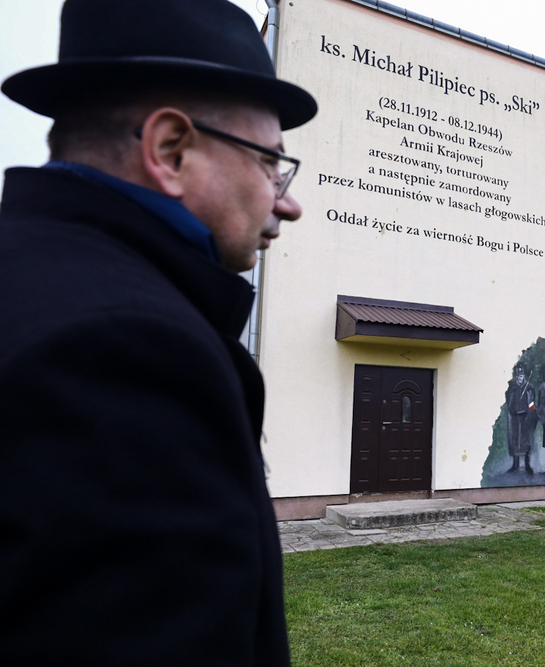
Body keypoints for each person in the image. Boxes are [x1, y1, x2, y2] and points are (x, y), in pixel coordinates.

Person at [0, 1, 317, 663]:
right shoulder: (126, 350)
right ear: (171, 150)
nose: (287, 202)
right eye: (270, 165)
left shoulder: (31, 280)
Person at [506, 365, 536, 474]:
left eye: (522, 375)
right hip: (515, 418)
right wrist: (512, 411)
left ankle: (527, 465)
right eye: (518, 375)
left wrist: (530, 413)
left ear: (524, 375)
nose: (520, 377)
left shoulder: (529, 387)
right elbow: (509, 401)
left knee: (526, 440)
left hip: (525, 418)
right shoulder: (513, 388)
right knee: (515, 440)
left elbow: (532, 402)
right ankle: (515, 465)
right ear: (516, 376)